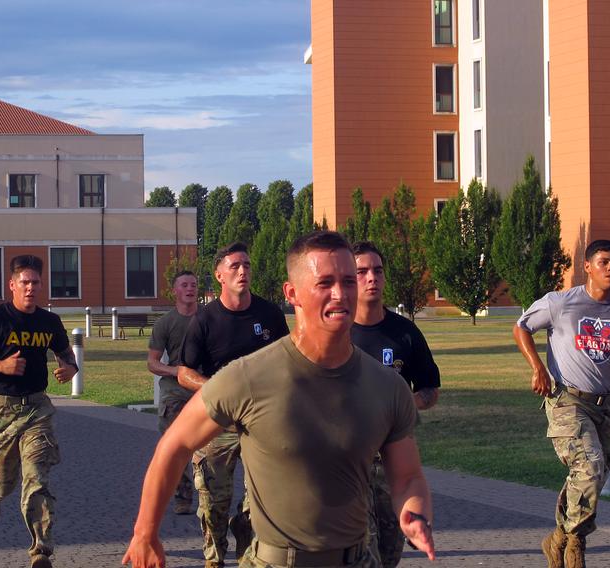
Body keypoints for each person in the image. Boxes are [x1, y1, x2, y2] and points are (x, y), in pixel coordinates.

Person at [123, 231, 435, 568]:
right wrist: (145, 533)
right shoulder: (248, 377)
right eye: (325, 283)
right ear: (293, 293)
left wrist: (414, 511)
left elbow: (407, 477)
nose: (340, 294)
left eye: (348, 281)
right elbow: (175, 445)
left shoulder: (387, 386)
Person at [513, 239, 610, 568]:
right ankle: (576, 542)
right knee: (590, 466)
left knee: (593, 475)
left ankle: (559, 538)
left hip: (608, 405)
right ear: (587, 267)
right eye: (604, 262)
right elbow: (521, 326)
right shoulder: (561, 303)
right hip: (567, 399)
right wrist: (538, 367)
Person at [0, 255, 78, 568]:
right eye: (24, 282)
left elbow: (66, 354)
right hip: (0, 410)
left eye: (35, 282)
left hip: (37, 408)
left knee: (37, 478)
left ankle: (41, 550)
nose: (30, 288)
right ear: (12, 285)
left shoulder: (49, 322)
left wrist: (70, 369)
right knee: (3, 481)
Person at [177, 242, 289, 567]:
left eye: (247, 265)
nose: (243, 271)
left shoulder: (269, 315)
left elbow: (287, 361)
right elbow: (184, 372)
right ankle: (214, 557)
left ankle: (248, 553)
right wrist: (216, 387)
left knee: (260, 501)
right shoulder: (204, 319)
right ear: (219, 275)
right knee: (213, 504)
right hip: (218, 423)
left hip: (261, 424)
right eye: (235, 266)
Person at [350, 241, 441, 567]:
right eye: (362, 272)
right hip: (348, 462)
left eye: (377, 270)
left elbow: (430, 389)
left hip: (392, 459)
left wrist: (402, 405)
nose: (371, 278)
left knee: (389, 553)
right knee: (360, 550)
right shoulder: (335, 332)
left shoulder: (405, 333)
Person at [147, 270, 199, 515]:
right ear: (175, 291)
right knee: (175, 444)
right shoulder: (165, 323)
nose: (190, 289)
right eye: (184, 285)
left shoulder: (209, 318)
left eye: (193, 284)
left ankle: (212, 489)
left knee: (210, 444)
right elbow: (152, 362)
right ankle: (183, 494)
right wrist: (175, 371)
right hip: (175, 389)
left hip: (204, 386)